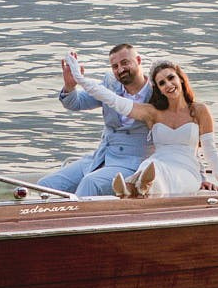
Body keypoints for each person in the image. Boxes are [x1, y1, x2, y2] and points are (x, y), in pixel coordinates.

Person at [70, 60, 218, 197]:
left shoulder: (199, 110)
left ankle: (134, 189)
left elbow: (210, 152)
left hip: (186, 170)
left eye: (170, 78)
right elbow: (114, 100)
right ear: (158, 89)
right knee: (151, 165)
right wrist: (80, 79)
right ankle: (134, 189)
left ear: (180, 79)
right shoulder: (153, 112)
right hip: (158, 163)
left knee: (156, 172)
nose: (168, 85)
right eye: (161, 83)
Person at [42, 42, 151, 197]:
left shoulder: (156, 93)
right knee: (44, 187)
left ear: (138, 60)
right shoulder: (110, 85)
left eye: (125, 63)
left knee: (90, 183)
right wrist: (70, 86)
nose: (120, 70)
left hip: (131, 165)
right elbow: (75, 103)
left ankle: (75, 221)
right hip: (100, 158)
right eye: (115, 66)